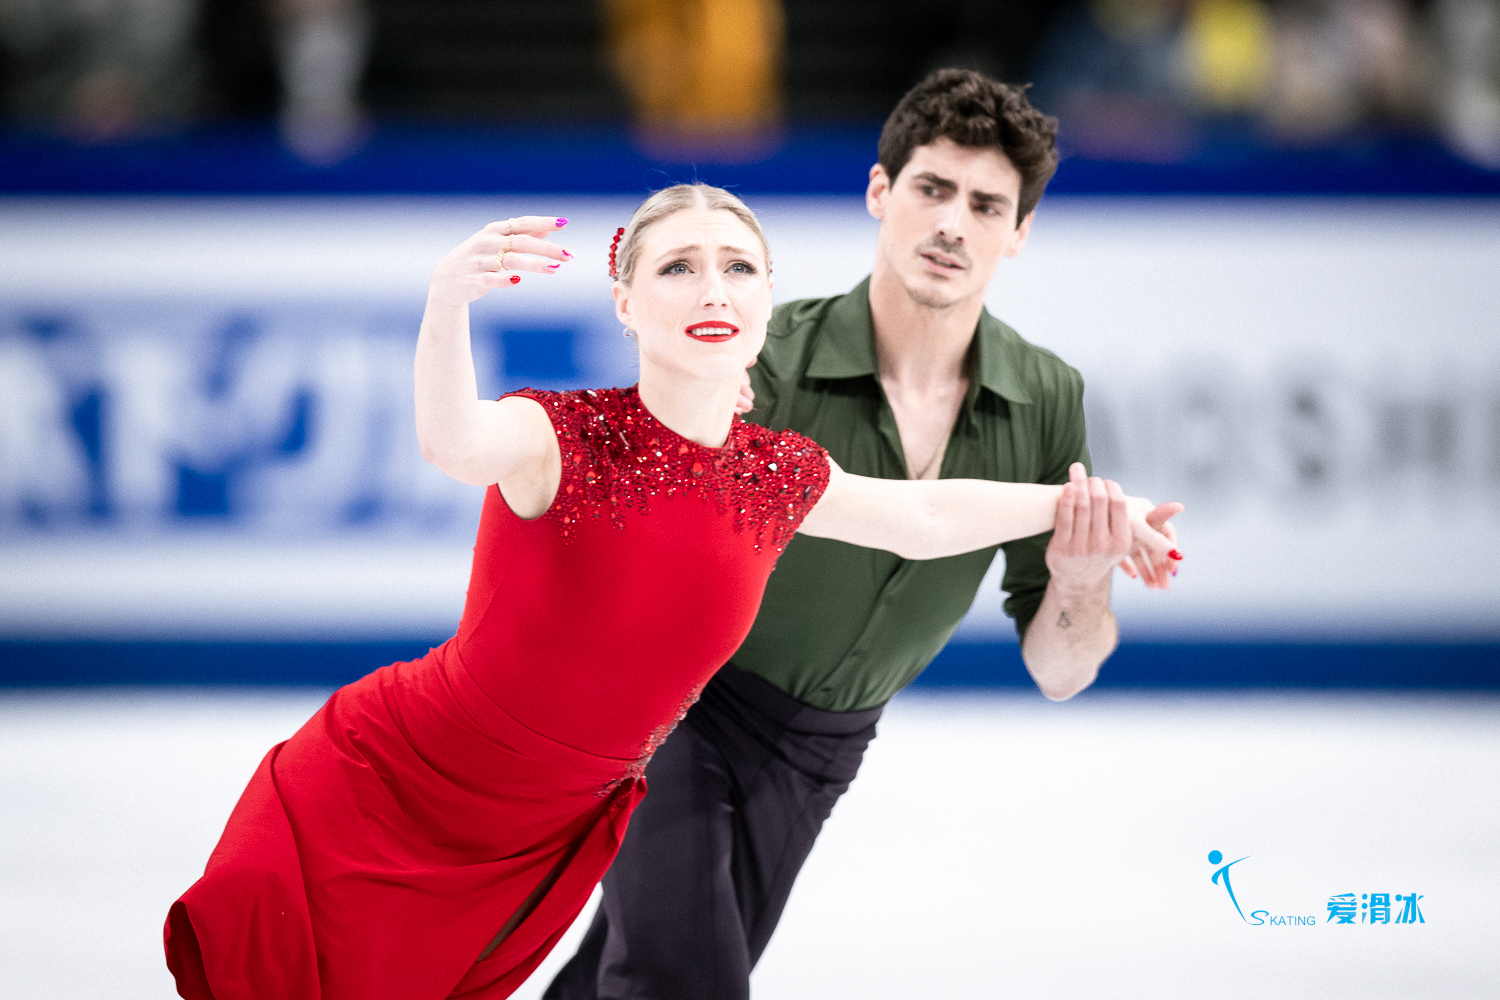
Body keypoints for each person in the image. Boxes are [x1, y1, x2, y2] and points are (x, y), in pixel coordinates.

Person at [162, 182, 1175, 1000]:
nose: (710, 290)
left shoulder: (775, 475)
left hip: (540, 833)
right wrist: (445, 304)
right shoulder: (559, 433)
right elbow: (451, 441)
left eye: (737, 268)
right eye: (678, 268)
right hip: (400, 782)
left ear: (767, 303)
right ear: (626, 302)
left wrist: (1082, 506)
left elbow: (927, 517)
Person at [544, 69, 1184, 1000]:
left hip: (819, 750)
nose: (952, 224)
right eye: (932, 188)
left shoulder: (1046, 398)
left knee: (629, 974)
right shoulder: (767, 356)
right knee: (685, 979)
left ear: (1019, 231)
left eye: (986, 205)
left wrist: (1083, 580)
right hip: (671, 707)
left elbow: (1060, 671)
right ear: (881, 190)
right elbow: (630, 503)